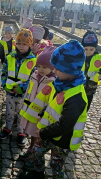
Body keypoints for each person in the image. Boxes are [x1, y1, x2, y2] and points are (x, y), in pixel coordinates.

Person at [20, 40, 88, 179]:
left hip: (62, 139)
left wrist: (43, 133)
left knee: (56, 165)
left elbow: (65, 125)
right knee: (37, 152)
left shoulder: (77, 97)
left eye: (58, 69)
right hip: (48, 130)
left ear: (71, 70)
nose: (54, 72)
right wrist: (42, 114)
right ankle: (38, 173)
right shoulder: (60, 83)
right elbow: (52, 104)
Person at [0, 28, 36, 147]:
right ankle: (8, 128)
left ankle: (21, 132)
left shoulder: (33, 61)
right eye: (19, 43)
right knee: (9, 111)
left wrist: (22, 88)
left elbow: (33, 79)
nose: (21, 46)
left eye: (24, 44)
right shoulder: (10, 57)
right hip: (10, 92)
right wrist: (5, 85)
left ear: (29, 44)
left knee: (21, 113)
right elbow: (4, 73)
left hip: (23, 94)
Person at [18, 46, 56, 151]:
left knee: (35, 130)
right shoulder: (34, 76)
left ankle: (32, 147)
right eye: (39, 66)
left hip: (39, 112)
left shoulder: (52, 82)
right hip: (29, 108)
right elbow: (28, 91)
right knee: (27, 127)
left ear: (52, 67)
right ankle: (28, 141)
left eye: (44, 67)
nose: (41, 69)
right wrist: (22, 104)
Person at [81, 30, 101, 111]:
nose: (88, 52)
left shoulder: (98, 58)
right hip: (79, 86)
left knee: (86, 106)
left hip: (91, 88)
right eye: (86, 49)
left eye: (91, 49)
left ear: (95, 48)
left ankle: (83, 118)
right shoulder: (80, 56)